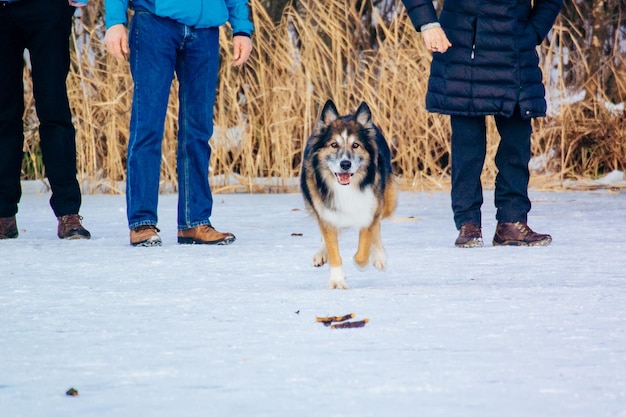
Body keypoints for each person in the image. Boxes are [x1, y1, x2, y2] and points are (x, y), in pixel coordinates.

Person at [401, 0, 562, 248]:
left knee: (516, 146)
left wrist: (533, 32)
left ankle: (512, 221)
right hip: (463, 49)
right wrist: (427, 23)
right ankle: (468, 224)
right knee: (468, 147)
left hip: (515, 52)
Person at [104, 0, 253, 247]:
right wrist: (115, 21)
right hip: (154, 24)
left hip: (205, 31)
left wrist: (241, 29)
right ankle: (142, 222)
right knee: (147, 126)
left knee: (198, 131)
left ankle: (194, 222)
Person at [0, 0, 91, 240]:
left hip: (48, 7)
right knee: (3, 114)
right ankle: (3, 214)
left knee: (54, 109)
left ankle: (68, 212)